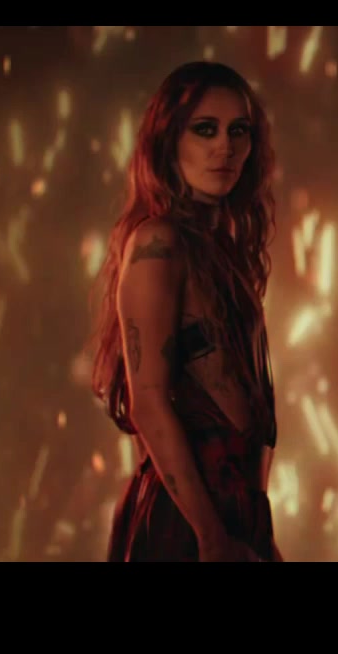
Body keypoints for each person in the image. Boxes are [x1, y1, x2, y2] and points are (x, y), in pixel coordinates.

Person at [90, 61, 283, 562]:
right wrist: (209, 535)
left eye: (238, 131)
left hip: (235, 513)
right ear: (169, 140)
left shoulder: (224, 253)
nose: (225, 147)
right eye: (205, 129)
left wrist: (258, 536)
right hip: (188, 524)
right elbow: (149, 401)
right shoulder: (158, 244)